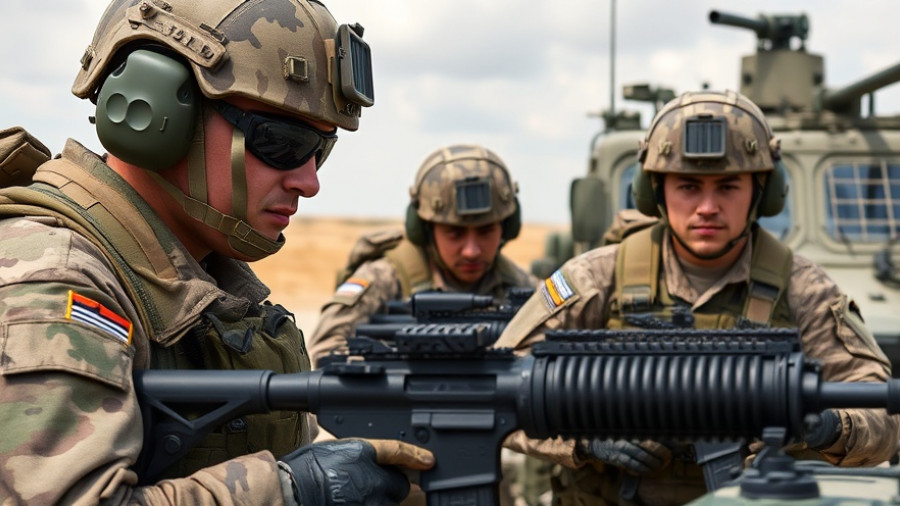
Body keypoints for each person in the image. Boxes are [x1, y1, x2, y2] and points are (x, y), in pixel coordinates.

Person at [0, 1, 433, 504]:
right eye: (283, 142)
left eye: (322, 150)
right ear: (156, 110)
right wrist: (292, 491)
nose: (309, 181)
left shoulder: (196, 280)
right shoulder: (53, 277)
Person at [494, 90, 900, 505]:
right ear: (654, 192)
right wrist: (585, 439)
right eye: (688, 186)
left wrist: (826, 427)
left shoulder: (804, 290)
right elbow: (496, 387)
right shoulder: (596, 278)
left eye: (727, 186)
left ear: (763, 192)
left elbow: (884, 414)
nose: (708, 207)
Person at [307, 143, 539, 365]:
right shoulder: (385, 278)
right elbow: (325, 350)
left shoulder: (524, 288)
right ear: (425, 229)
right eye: (454, 233)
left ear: (507, 227)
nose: (471, 251)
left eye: (486, 231)